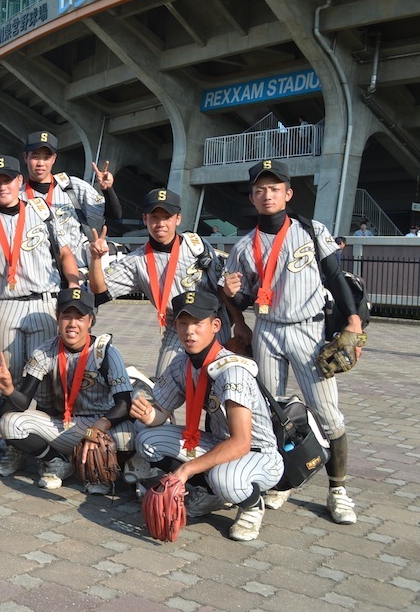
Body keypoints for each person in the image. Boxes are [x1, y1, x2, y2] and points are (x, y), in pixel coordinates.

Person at [222, 158, 365, 524]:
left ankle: (338, 490)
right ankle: (281, 480)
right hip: (267, 329)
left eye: (274, 188)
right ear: (252, 197)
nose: (267, 195)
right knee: (271, 414)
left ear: (288, 193)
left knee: (327, 413)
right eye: (259, 190)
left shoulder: (311, 230)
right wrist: (232, 294)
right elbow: (245, 299)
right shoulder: (243, 246)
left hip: (308, 329)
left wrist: (351, 320)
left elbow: (336, 277)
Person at [129, 292, 284, 541]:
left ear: (215, 326)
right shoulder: (182, 363)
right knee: (148, 440)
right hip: (220, 442)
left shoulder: (232, 372)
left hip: (259, 454)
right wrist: (147, 414)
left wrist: (186, 471)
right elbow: (160, 414)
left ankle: (253, 506)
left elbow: (241, 442)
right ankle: (210, 494)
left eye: (198, 323)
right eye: (183, 323)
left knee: (224, 477)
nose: (190, 331)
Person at [0, 287, 135, 493]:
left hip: (102, 424)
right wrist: (10, 389)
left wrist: (99, 426)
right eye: (67, 316)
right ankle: (57, 462)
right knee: (9, 424)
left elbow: (124, 403)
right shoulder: (45, 351)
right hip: (65, 424)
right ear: (57, 318)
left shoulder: (104, 351)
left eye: (80, 317)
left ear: (90, 321)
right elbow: (23, 401)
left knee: (131, 436)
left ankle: (111, 469)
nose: (72, 324)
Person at [88, 188, 241, 377]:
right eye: (154, 217)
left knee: (218, 387)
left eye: (167, 217)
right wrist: (95, 259)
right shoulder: (137, 260)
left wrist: (240, 325)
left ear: (178, 219)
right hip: (176, 327)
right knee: (163, 387)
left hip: (212, 325)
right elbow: (99, 290)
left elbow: (220, 288)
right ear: (145, 219)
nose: (160, 223)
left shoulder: (197, 247)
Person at [0, 155, 82, 385]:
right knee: (8, 377)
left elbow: (65, 253)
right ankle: (10, 420)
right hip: (5, 305)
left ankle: (44, 420)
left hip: (44, 302)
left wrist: (74, 286)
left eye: (7, 180)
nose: (2, 187)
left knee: (47, 376)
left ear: (19, 180)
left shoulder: (42, 212)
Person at [20, 130, 120, 256]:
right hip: (43, 270)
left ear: (54, 159)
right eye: (35, 157)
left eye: (46, 157)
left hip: (80, 268)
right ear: (25, 157)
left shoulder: (72, 186)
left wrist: (107, 189)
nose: (41, 163)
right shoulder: (18, 198)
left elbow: (115, 215)